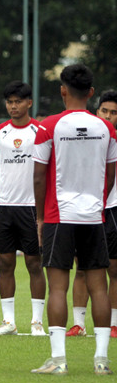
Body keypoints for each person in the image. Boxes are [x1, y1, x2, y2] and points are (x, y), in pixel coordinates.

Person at [31, 64, 115, 375]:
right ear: (92, 93)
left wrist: (40, 218)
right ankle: (102, 360)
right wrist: (98, 203)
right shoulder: (107, 128)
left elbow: (39, 177)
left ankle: (59, 360)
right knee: (99, 287)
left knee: (57, 288)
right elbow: (110, 174)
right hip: (94, 216)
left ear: (63, 90)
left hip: (58, 216)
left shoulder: (48, 126)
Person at [0, 81, 47, 336]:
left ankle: (36, 322)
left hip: (31, 207)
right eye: (9, 102)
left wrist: (44, 213)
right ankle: (8, 322)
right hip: (5, 207)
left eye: (18, 101)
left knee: (34, 263)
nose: (13, 106)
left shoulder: (40, 132)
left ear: (29, 103)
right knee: (5, 263)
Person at [67, 89, 117, 339]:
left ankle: (114, 323)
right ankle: (78, 324)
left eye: (114, 112)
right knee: (82, 268)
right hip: (86, 209)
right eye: (104, 111)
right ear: (97, 111)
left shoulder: (113, 139)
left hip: (113, 207)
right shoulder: (87, 135)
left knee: (114, 269)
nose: (109, 116)